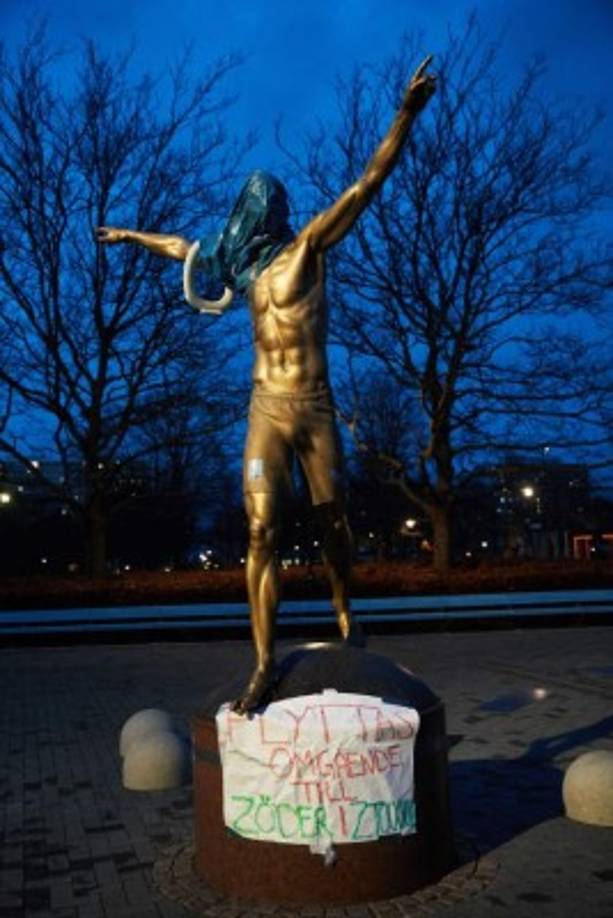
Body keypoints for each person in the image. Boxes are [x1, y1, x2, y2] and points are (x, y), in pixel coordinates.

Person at [97, 56, 436, 713]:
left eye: (263, 205)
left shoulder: (308, 247)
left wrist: (405, 113)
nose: (255, 213)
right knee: (259, 532)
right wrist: (131, 235)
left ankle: (345, 611)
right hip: (266, 409)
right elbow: (183, 249)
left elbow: (367, 183)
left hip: (314, 408)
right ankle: (261, 663)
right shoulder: (243, 268)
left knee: (333, 520)